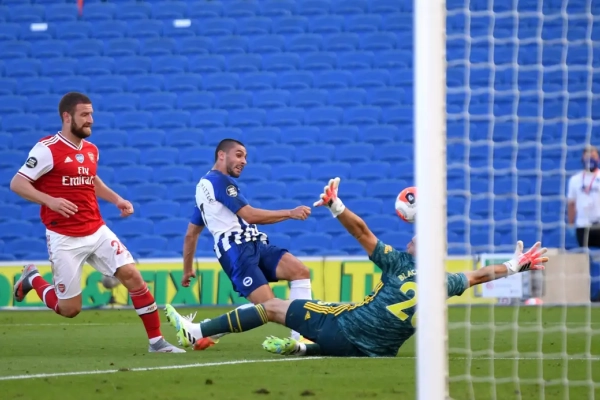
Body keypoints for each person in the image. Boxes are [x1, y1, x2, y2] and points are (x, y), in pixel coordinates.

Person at [164, 177, 549, 357]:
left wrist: (336, 205)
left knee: (272, 307)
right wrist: (516, 264)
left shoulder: (398, 261)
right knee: (316, 300)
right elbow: (480, 275)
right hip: (377, 351)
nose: (413, 238)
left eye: (418, 239)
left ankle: (195, 331)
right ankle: (301, 347)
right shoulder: (444, 281)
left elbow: (362, 232)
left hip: (343, 330)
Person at [10, 92, 183, 353]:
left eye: (91, 114)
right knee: (69, 309)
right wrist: (50, 201)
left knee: (133, 276)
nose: (90, 119)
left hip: (96, 230)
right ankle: (33, 278)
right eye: (84, 115)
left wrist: (117, 199)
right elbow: (18, 183)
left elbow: (91, 179)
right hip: (64, 237)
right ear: (67, 117)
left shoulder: (91, 150)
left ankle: (157, 342)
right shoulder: (47, 149)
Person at [179, 139, 314, 345]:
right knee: (270, 307)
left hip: (254, 244)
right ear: (221, 155)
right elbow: (249, 215)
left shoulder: (205, 188)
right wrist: (290, 213)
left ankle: (302, 337)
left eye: (245, 157)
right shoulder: (218, 182)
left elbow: (191, 234)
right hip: (236, 251)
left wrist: (187, 268)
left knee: (300, 272)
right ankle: (204, 329)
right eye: (239, 155)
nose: (244, 161)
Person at [567, 145, 600, 248]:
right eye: (587, 156)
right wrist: (571, 224)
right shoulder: (575, 180)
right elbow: (571, 204)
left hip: (599, 224)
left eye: (593, 156)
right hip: (582, 225)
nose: (590, 159)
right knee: (584, 255)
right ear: (582, 158)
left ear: (598, 158)